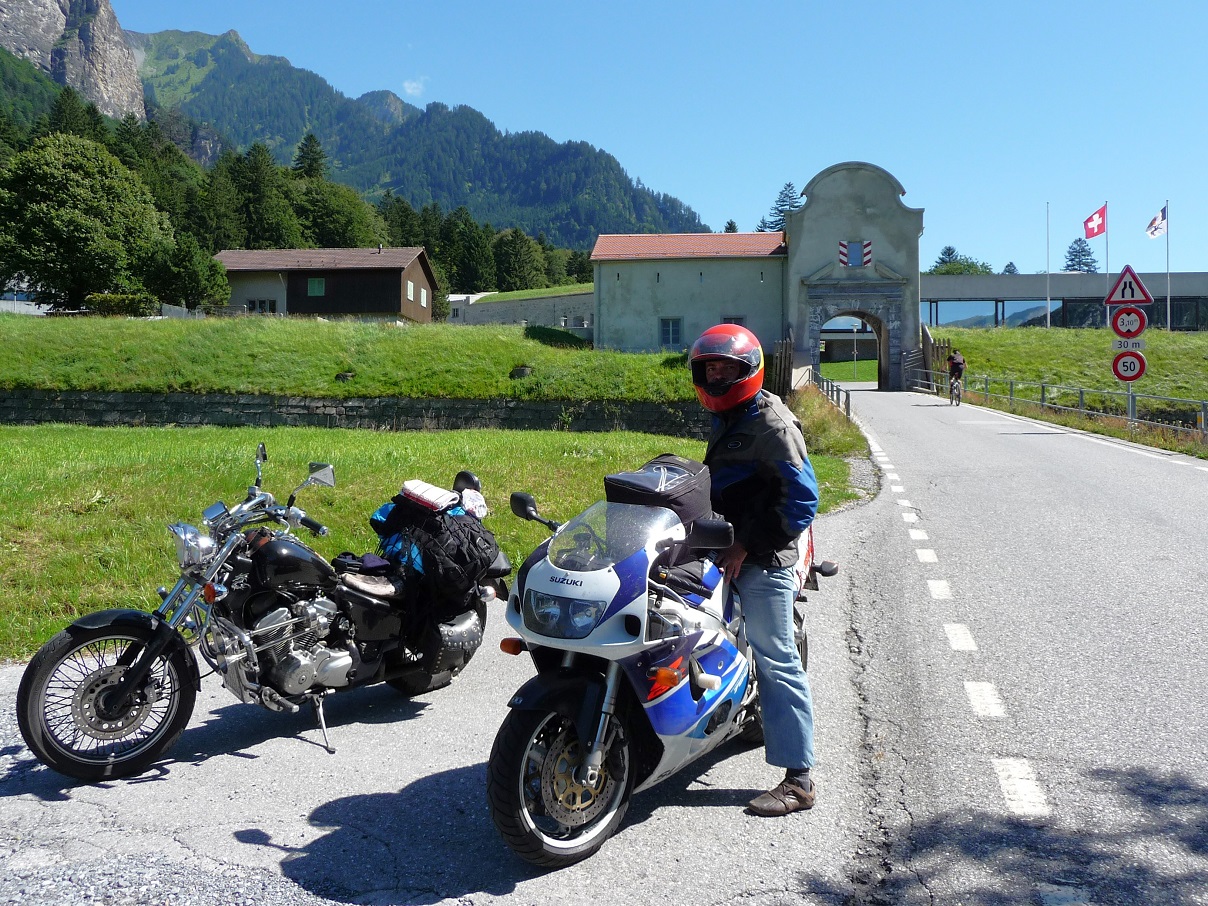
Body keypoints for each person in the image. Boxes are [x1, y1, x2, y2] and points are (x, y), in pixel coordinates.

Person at [689, 323, 820, 817]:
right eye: (710, 369)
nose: (717, 376)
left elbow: (803, 501)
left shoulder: (772, 425)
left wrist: (748, 544)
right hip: (726, 541)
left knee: (776, 656)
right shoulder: (730, 416)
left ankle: (800, 779)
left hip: (766, 553)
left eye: (726, 369)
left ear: (748, 372)